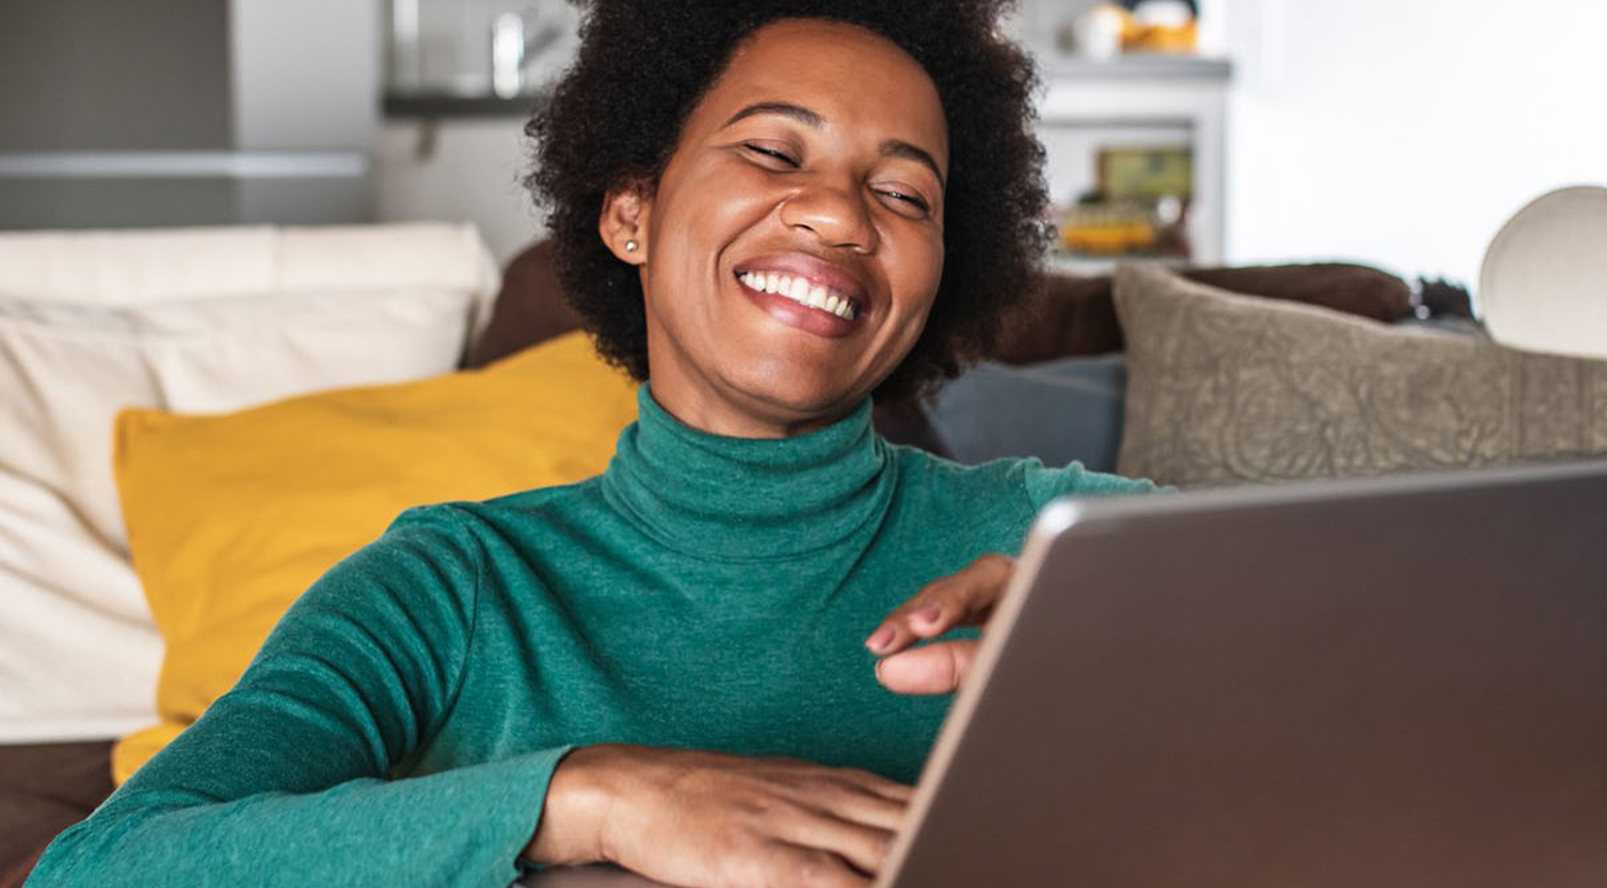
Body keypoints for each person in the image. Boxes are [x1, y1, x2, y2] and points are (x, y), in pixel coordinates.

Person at [26, 2, 1155, 887]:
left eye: (903, 193)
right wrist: (585, 800)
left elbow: (1330, 666)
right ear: (632, 213)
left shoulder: (1057, 545)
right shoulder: (454, 588)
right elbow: (101, 869)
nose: (842, 217)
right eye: (771, 152)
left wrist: (1127, 629)